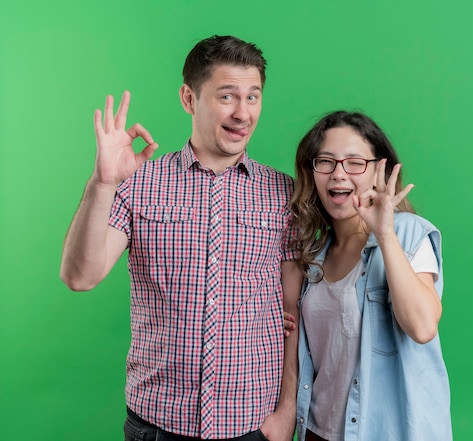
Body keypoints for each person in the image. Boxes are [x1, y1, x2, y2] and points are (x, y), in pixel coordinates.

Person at [60, 35, 301, 441]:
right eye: (227, 96)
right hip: (157, 424)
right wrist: (101, 183)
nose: (243, 113)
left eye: (253, 96)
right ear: (189, 98)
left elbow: (296, 316)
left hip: (252, 425)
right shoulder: (139, 184)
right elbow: (81, 276)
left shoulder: (284, 193)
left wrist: (286, 412)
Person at [288, 111, 452, 441]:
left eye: (354, 162)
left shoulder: (407, 233)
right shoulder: (313, 256)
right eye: (326, 161)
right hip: (317, 430)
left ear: (379, 170)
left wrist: (385, 233)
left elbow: (422, 327)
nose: (338, 174)